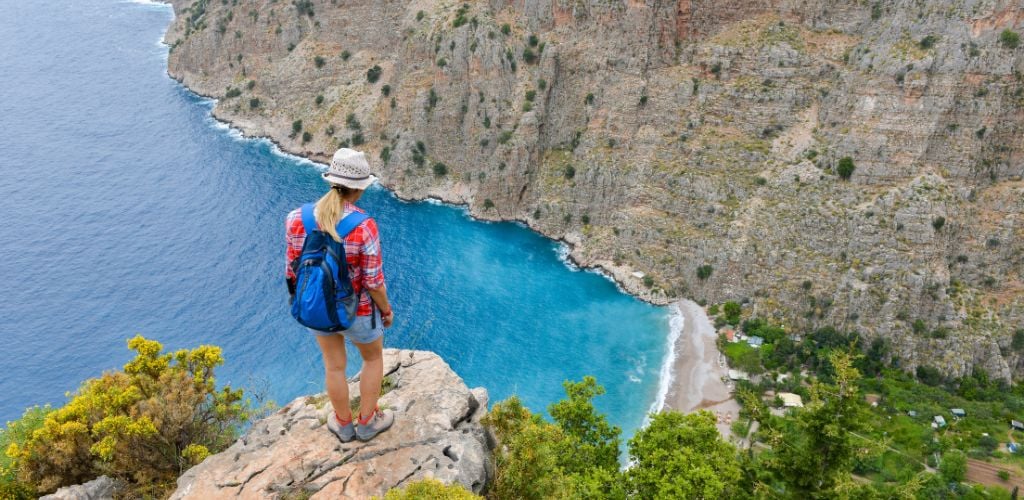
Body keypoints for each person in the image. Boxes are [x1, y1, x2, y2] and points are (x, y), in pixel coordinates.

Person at [285, 148, 395, 442]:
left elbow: (292, 270)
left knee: (334, 365)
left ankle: (343, 424)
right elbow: (373, 282)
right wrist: (385, 311)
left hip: (317, 307)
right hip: (357, 311)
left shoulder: (297, 218)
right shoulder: (364, 226)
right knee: (372, 360)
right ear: (359, 189)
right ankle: (368, 421)